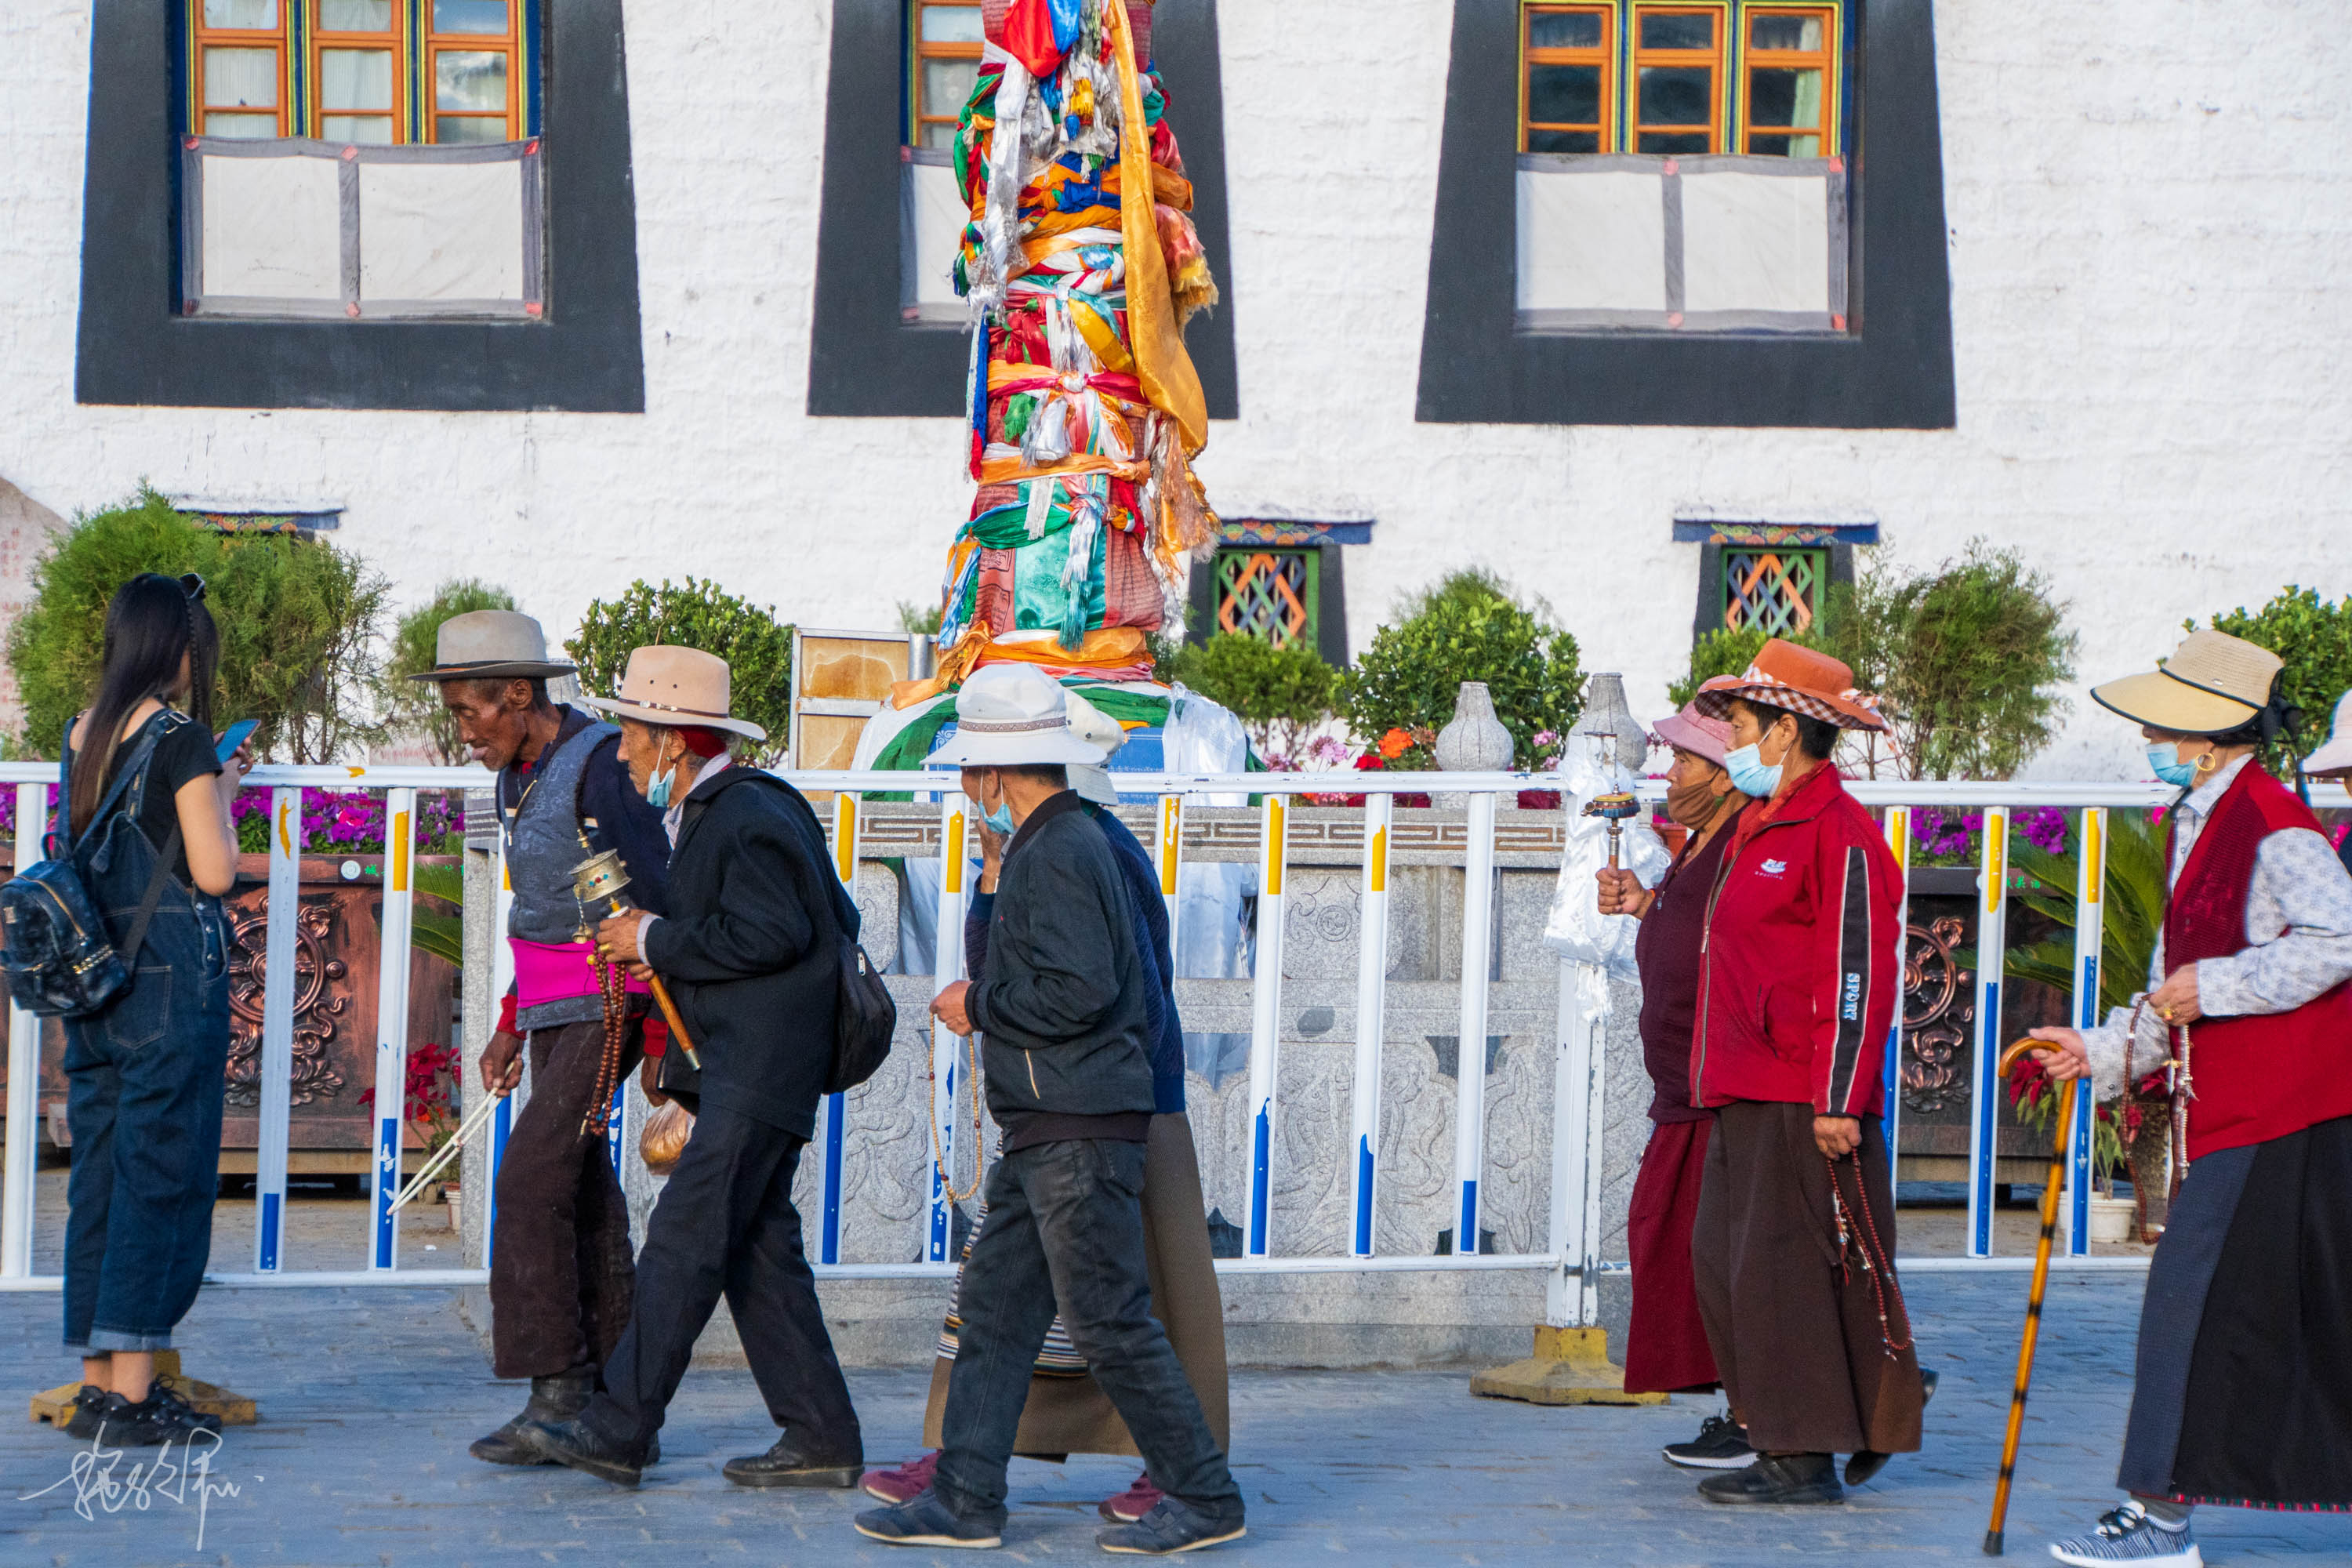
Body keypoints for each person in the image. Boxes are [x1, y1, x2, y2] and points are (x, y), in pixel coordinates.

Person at [855, 665, 1245, 1554]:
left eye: (967, 772)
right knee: (996, 1310)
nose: (964, 787)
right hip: (1047, 1124)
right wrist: (993, 892)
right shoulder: (1041, 844)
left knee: (1108, 1316)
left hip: (1077, 1124)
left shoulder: (1066, 849)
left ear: (994, 772)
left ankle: (1204, 1492)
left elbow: (1081, 987)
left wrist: (980, 1005)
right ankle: (964, 1493)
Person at [2029, 630, 2352, 1567]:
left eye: (2161, 721)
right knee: (2245, 1307)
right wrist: (2100, 1051)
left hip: (2283, 1108)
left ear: (2207, 733)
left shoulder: (2274, 823)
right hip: (2239, 1109)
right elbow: (2173, 976)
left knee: (2190, 1298)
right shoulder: (2202, 820)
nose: (2148, 734)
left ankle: (2161, 1522)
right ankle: (2162, 1515)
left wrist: (2219, 988)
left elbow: (2340, 936)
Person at [523, 646, 864, 1489]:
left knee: (682, 1242)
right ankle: (822, 1433)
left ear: (674, 740)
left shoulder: (743, 813)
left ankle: (617, 1427)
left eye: (635, 734)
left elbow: (777, 933)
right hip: (756, 1066)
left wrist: (654, 939)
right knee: (756, 1251)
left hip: (758, 1067)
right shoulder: (730, 811)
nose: (626, 751)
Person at [414, 611, 672, 1465]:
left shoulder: (602, 770)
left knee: (528, 1181)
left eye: (468, 713)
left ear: (519, 694)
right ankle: (616, 1397)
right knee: (582, 1188)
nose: (463, 733)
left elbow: (654, 896)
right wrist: (507, 1024)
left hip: (612, 1003)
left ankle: (558, 1391)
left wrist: (663, 1040)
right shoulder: (515, 777)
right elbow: (549, 911)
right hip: (554, 1010)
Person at [1681, 638, 1922, 1506]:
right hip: (1744, 1086)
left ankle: (1804, 1452)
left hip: (1802, 1092)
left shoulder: (1838, 833)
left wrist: (1839, 1097)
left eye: (1742, 724)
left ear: (1786, 730)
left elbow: (1857, 972)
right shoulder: (1759, 824)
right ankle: (1790, 1428)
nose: (1731, 740)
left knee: (1783, 1277)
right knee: (1728, 1265)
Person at [53, 573, 248, 1446]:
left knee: (99, 1173)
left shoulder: (82, 732)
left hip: (96, 989)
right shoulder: (180, 737)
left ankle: (98, 1381)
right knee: (158, 1180)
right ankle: (134, 1396)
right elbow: (212, 870)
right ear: (175, 647)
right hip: (170, 988)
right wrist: (226, 789)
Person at [1594, 703, 1748, 1459]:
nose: (1673, 775)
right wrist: (1646, 905)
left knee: (1720, 1259)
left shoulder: (1742, 844)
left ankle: (1762, 1414)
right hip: (1685, 1088)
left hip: (1718, 1090)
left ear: (1723, 776)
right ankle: (1746, 1404)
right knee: (1682, 1248)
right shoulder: (1702, 846)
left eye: (1686, 762)